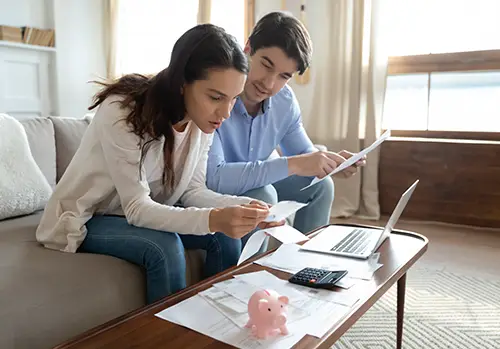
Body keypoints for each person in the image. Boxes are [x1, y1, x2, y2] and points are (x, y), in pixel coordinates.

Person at [35, 24, 282, 305]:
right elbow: (137, 208)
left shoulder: (202, 122)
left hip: (139, 212)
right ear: (181, 83)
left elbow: (192, 190)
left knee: (224, 238)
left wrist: (245, 208)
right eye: (215, 97)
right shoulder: (123, 110)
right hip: (90, 216)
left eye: (233, 99)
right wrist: (214, 218)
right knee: (164, 247)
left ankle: (219, 327)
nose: (225, 113)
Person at [206, 12, 365, 242]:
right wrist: (297, 164)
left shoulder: (284, 102)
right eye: (266, 65)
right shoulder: (218, 93)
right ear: (248, 48)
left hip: (254, 183)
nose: (269, 83)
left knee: (321, 187)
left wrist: (330, 163)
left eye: (283, 76)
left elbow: (303, 154)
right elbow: (215, 177)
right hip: (214, 189)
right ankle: (251, 276)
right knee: (263, 194)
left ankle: (304, 267)